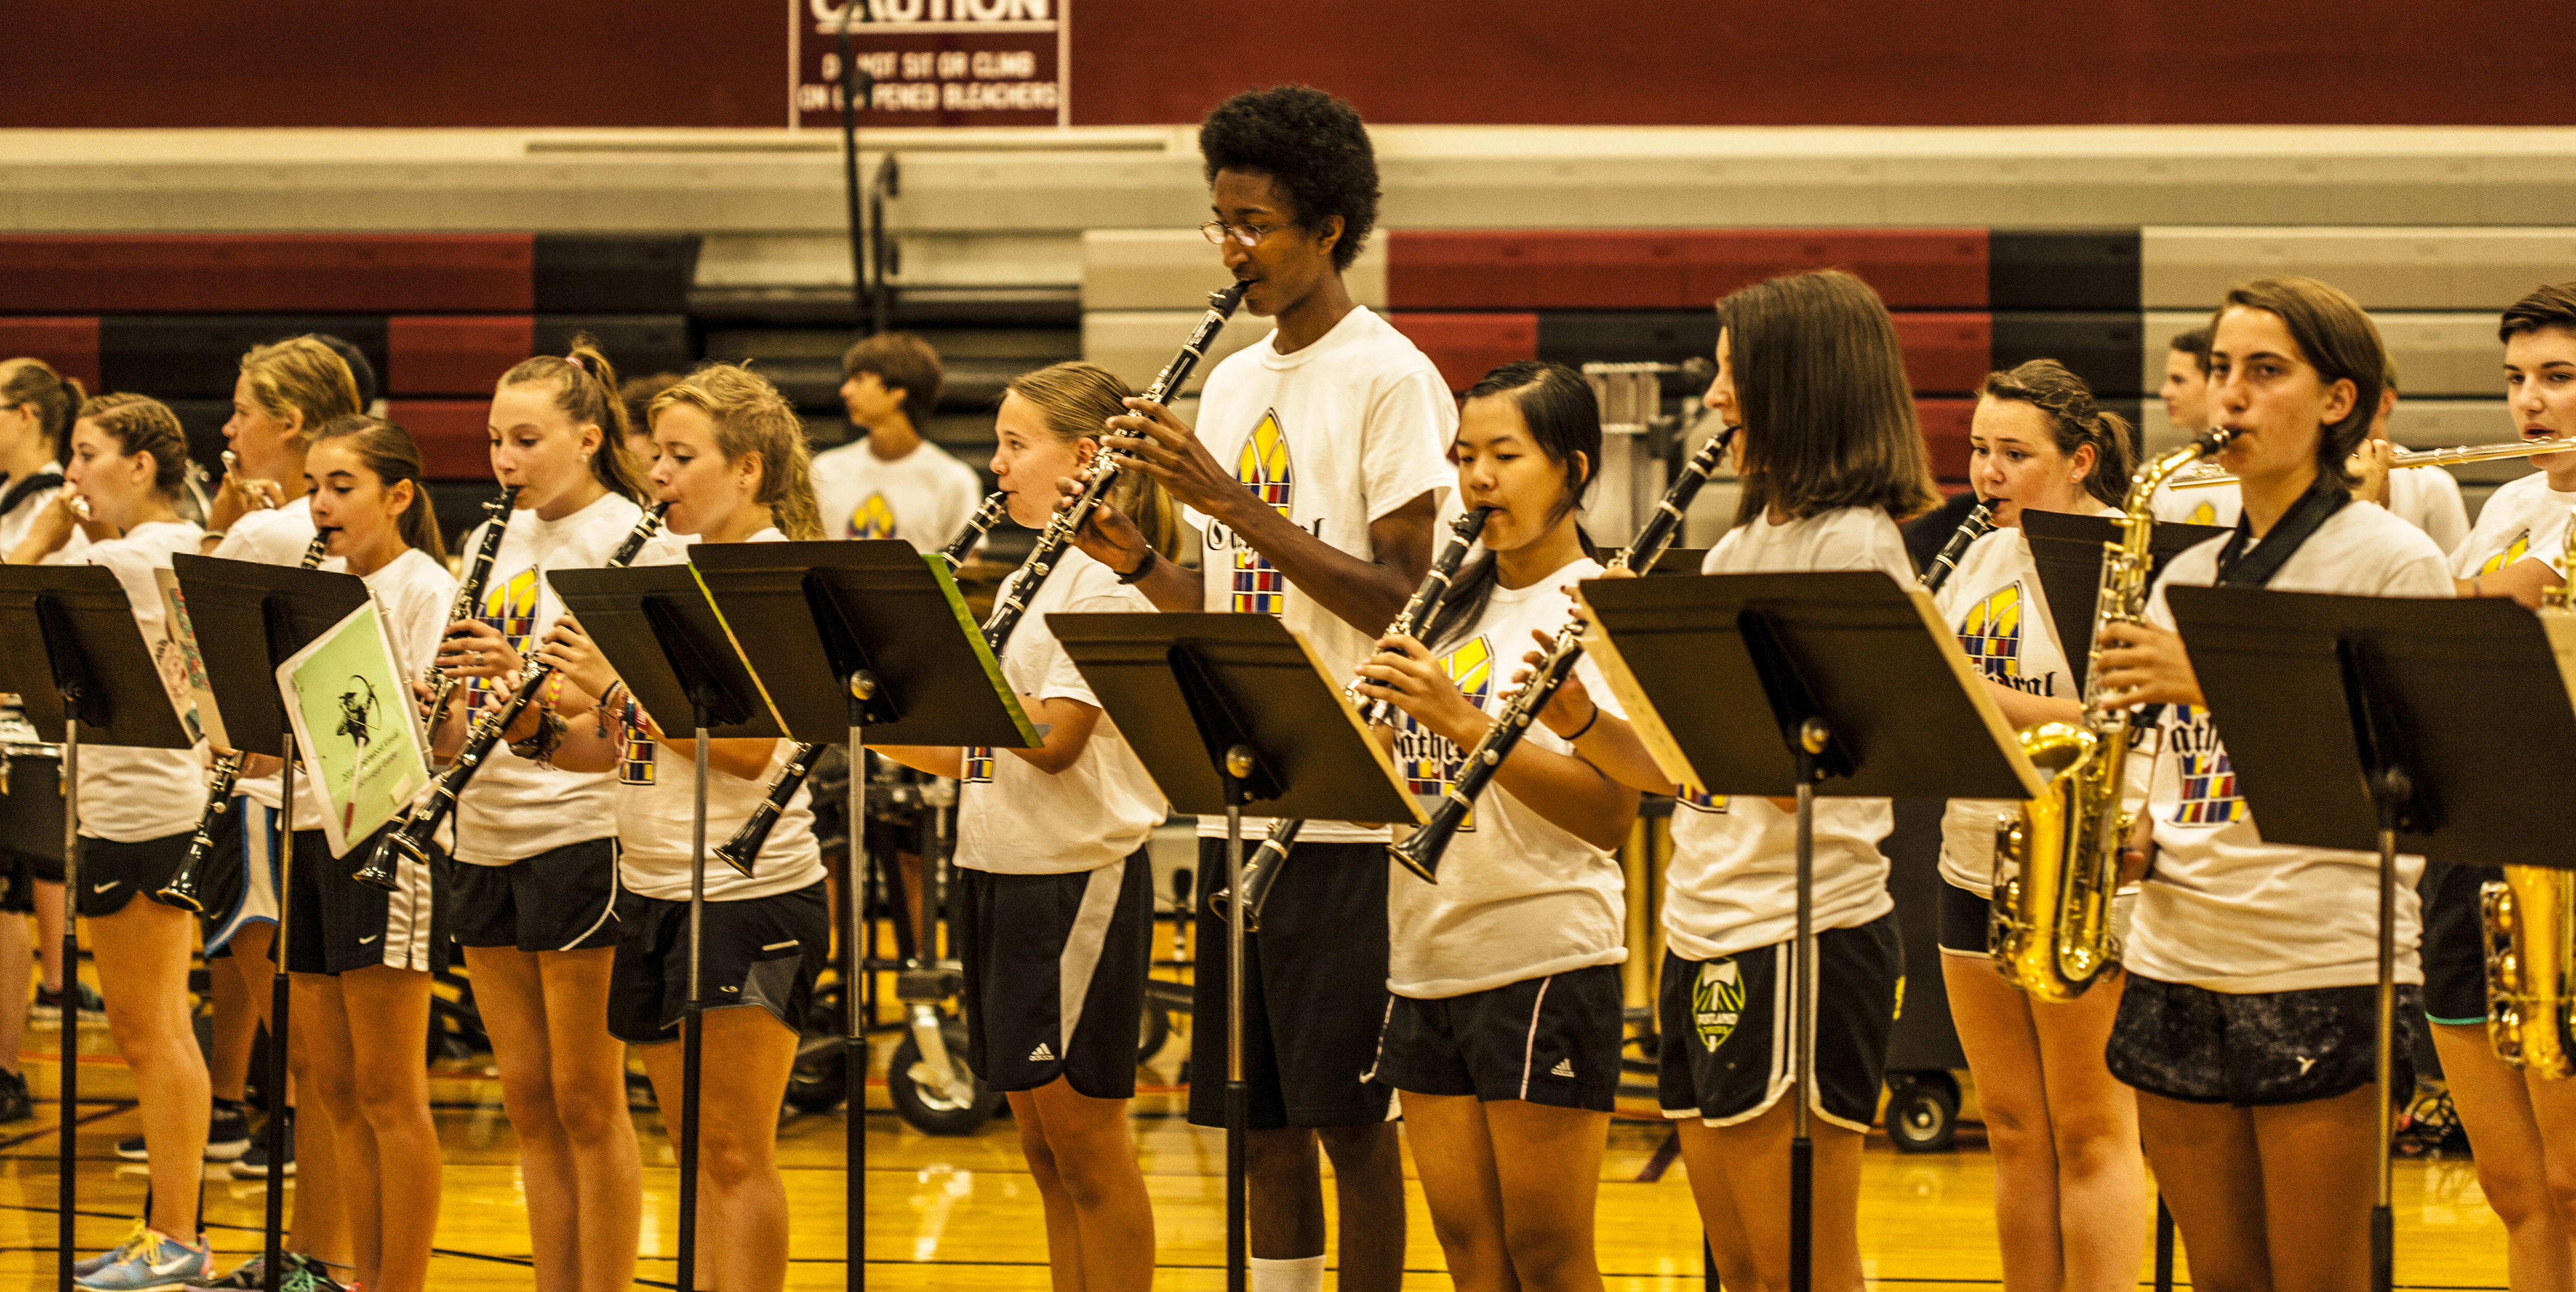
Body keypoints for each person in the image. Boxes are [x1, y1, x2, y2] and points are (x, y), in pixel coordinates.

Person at [1068, 83, 1455, 1292]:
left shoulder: (1392, 378)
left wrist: (1229, 501)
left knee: (1352, 1124)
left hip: (1352, 810)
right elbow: (1242, 599)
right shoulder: (1234, 383)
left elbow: (1407, 598)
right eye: (1220, 222)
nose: (1231, 249)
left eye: (1255, 224)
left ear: (1328, 228)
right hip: (1243, 791)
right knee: (1261, 1124)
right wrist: (1140, 564)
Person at [1540, 268, 1936, 1292]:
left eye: (1733, 376)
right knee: (1741, 1268)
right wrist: (1582, 715)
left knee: (1798, 1264)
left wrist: (1650, 655)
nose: (1715, 398)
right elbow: (1693, 773)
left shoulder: (1855, 549)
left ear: (1800, 385)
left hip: (1802, 933)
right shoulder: (1744, 545)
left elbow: (1800, 780)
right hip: (1705, 924)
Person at [2092, 276, 2450, 1292]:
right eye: (2220, 370)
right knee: (2223, 1277)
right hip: (2173, 953)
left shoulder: (2394, 561)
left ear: (2338, 401)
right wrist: (2132, 828)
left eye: (2264, 370)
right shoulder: (2185, 574)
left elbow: (2414, 775)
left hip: (2321, 959)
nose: (2231, 395)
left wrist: (2213, 678)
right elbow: (2167, 756)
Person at [517, 362, 833, 1292]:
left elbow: (749, 750)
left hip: (749, 894)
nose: (657, 473)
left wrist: (615, 686)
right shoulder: (658, 568)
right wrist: (534, 726)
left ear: (747, 468)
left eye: (682, 456)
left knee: (735, 1149)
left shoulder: (774, 577)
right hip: (652, 885)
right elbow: (616, 746)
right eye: (657, 454)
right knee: (692, 1148)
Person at [871, 361, 1170, 1292]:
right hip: (997, 865)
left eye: (1015, 444)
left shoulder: (1104, 588)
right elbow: (981, 753)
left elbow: (1052, 740)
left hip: (1074, 880)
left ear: (1085, 459)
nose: (995, 465)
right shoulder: (1025, 584)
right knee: (1041, 1146)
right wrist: (861, 719)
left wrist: (947, 683)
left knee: (1087, 1144)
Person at [1356, 360, 1638, 1292]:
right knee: (1469, 1251)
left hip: (1542, 953)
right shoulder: (1442, 604)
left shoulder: (1598, 604)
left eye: (1505, 455)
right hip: (1424, 953)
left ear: (1573, 467)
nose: (1478, 479)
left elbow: (1611, 812)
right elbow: (1391, 780)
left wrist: (1462, 722)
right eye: (1464, 456)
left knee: (1547, 1255)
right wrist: (1360, 743)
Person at [432, 337, 652, 1292]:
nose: (505, 460)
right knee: (526, 1097)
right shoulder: (489, 539)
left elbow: (628, 711)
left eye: (526, 440)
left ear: (589, 438)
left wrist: (521, 685)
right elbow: (459, 718)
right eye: (495, 441)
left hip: (581, 829)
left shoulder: (629, 537)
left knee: (586, 1098)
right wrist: (440, 704)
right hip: (484, 829)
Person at [1928, 360, 2151, 1292]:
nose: (1988, 471)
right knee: (2013, 1125)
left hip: (2081, 865)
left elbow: (2124, 720)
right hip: (1971, 857)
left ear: (2079, 459)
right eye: (1980, 449)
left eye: (2014, 453)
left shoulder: (2121, 556)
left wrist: (1968, 696)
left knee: (2089, 1127)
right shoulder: (1977, 553)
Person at [8, 394, 217, 1288]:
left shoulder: (127, 558)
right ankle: (165, 1230)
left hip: (144, 812)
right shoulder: (170, 544)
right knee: (146, 1027)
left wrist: (42, 533)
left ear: (141, 465)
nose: (73, 473)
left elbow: (8, 596)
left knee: (153, 1029)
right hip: (126, 804)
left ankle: (178, 1236)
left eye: (88, 454)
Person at [274, 414, 462, 1292]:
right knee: (337, 1086)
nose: (320, 504)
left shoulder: (426, 587)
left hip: (388, 840)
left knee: (391, 1092)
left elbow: (433, 743)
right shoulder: (311, 588)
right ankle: (361, 1272)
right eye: (313, 486)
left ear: (398, 496)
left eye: (341, 486)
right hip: (309, 833)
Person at [2416, 281, 2576, 1292]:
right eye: (2516, 378)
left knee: (2572, 1178)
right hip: (2465, 848)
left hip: (2560, 856)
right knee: (2516, 1186)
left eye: (2557, 377)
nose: (2530, 401)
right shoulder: (2511, 505)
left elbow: (2494, 614)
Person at [0, 356, 90, 1125]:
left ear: (26, 414)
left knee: (8, 892)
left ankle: (6, 1069)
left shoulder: (60, 509)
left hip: (28, 728)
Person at [810, 332, 981, 545]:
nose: (845, 391)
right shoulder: (824, 471)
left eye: (859, 379)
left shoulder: (955, 480)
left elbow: (968, 562)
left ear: (898, 391)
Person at [2351, 359, 2471, 555]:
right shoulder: (2312, 475)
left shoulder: (2434, 484)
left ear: (2385, 401)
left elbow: (2455, 570)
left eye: (2353, 394)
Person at [2151, 327, 2241, 529]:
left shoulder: (2257, 477)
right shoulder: (2166, 476)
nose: (2165, 392)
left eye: (2178, 380)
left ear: (2216, 382)